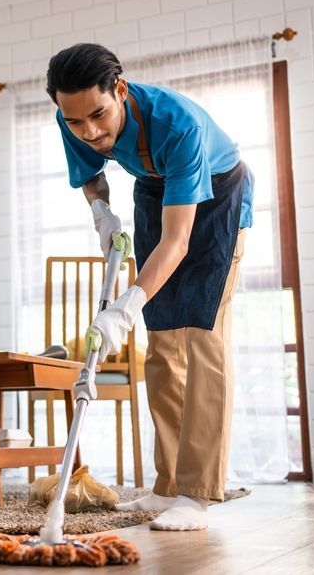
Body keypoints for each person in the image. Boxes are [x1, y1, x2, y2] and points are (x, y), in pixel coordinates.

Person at [45, 43, 253, 531]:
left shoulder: (176, 124)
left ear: (120, 89)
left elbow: (178, 240)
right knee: (162, 345)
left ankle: (197, 496)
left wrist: (125, 306)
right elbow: (91, 177)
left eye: (98, 115)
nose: (90, 132)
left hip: (219, 194)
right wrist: (100, 212)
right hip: (154, 186)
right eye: (76, 122)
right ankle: (167, 487)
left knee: (201, 337)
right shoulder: (72, 114)